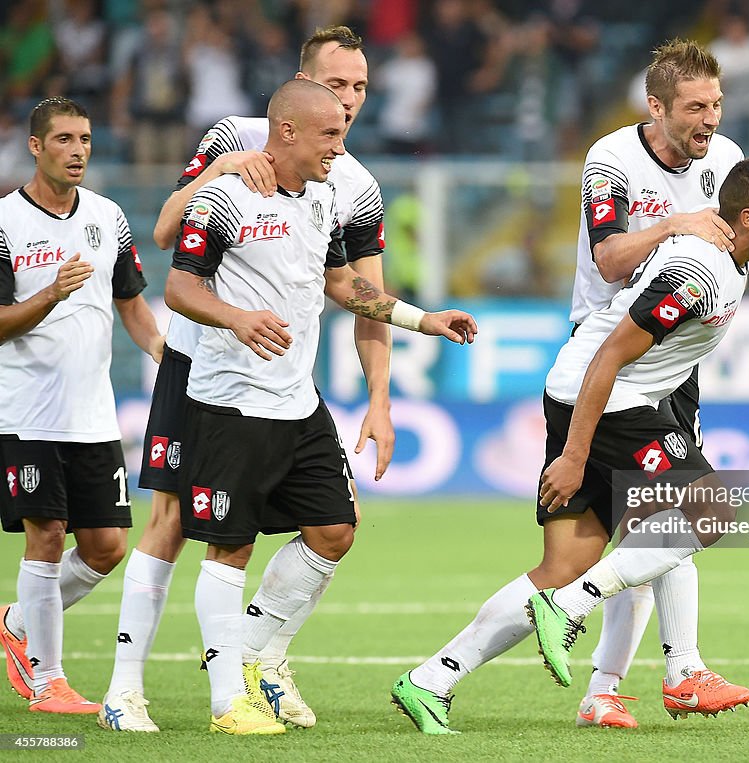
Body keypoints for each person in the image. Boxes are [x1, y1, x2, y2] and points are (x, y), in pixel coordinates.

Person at [391, 158, 749, 734]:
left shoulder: (725, 257)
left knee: (566, 562)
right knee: (708, 510)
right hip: (607, 400)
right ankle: (595, 619)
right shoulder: (699, 273)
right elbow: (610, 355)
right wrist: (576, 453)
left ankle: (432, 679)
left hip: (592, 393)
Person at [99, 25, 394, 732]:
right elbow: (169, 233)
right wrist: (222, 168)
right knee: (171, 522)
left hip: (285, 379)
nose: (347, 101)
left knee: (333, 524)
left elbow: (361, 293)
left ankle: (257, 661)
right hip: (202, 361)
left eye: (357, 88)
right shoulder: (235, 133)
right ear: (299, 87)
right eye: (334, 84)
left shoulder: (352, 183)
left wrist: (384, 390)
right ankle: (125, 687)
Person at [164, 79, 476, 735]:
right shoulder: (224, 199)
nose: (341, 146)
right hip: (232, 403)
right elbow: (179, 287)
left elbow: (343, 283)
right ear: (287, 132)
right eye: (329, 134)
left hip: (298, 402)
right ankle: (229, 703)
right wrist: (237, 317)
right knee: (231, 547)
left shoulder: (325, 200)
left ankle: (247, 651)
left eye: (342, 132)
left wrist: (425, 318)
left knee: (335, 528)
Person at [567, 38, 749, 729]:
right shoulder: (611, 159)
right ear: (656, 107)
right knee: (648, 526)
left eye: (718, 104)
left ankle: (624, 684)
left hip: (675, 358)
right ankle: (675, 668)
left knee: (657, 526)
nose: (711, 118)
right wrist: (675, 223)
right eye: (697, 107)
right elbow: (610, 258)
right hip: (609, 352)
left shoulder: (725, 161)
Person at [0, 97, 162, 714]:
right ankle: (48, 682)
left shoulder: (108, 217)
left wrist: (162, 352)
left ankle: (17, 621)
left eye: (86, 139)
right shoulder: (5, 223)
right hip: (24, 414)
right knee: (46, 536)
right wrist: (49, 293)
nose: (78, 150)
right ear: (36, 146)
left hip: (91, 414)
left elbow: (131, 303)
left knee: (105, 548)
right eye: (64, 139)